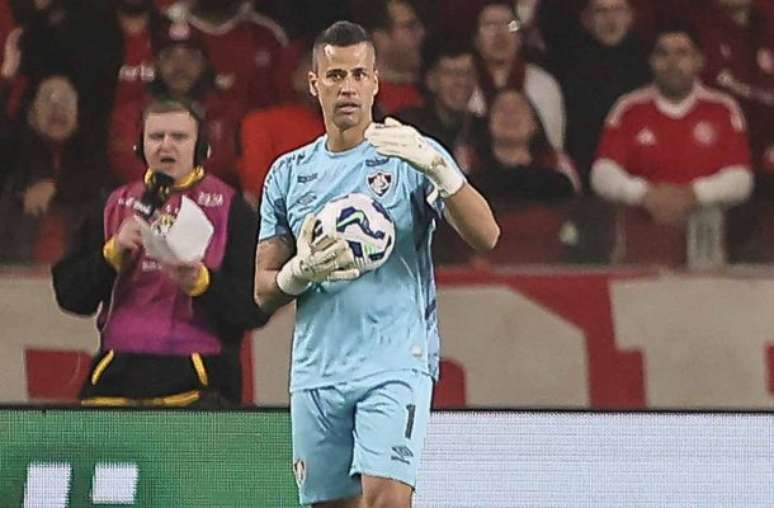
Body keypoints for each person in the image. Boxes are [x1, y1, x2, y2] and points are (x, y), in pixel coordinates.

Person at [253, 20, 499, 507]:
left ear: (375, 82)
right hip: (318, 370)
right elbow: (262, 291)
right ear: (314, 83)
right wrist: (300, 272)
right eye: (335, 75)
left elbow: (487, 235)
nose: (347, 87)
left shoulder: (410, 153)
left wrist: (442, 172)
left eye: (358, 75)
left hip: (395, 361)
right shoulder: (288, 174)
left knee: (387, 499)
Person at [52, 98, 266, 407]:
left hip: (201, 381)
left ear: (201, 147)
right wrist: (110, 256)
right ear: (140, 147)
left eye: (179, 137)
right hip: (116, 375)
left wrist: (204, 284)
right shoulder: (112, 204)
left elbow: (256, 307)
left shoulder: (233, 210)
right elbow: (70, 295)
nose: (166, 146)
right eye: (156, 137)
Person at [591, 23, 753, 263]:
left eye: (682, 53)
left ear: (699, 61)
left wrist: (692, 195)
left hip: (706, 252)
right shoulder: (629, 108)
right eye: (663, 53)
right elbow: (602, 173)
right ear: (651, 61)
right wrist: (645, 195)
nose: (672, 62)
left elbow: (741, 178)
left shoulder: (723, 108)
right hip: (638, 250)